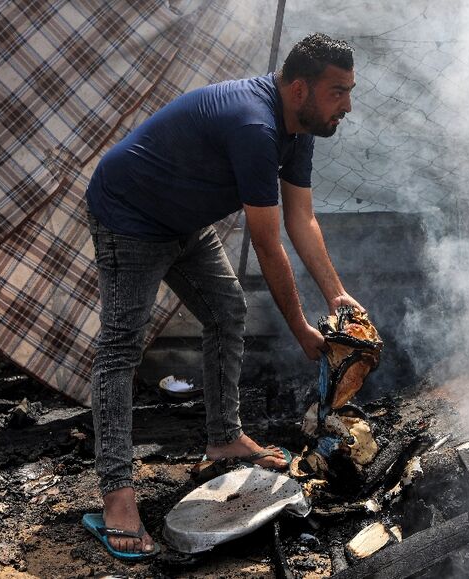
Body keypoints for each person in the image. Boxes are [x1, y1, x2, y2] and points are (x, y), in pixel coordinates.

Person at [83, 33, 362, 558]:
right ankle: (117, 496)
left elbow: (301, 219)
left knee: (227, 310)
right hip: (130, 215)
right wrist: (301, 327)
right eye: (338, 92)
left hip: (183, 222)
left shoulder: (300, 128)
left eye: (349, 91)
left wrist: (337, 295)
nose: (347, 105)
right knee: (121, 348)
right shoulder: (255, 126)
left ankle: (223, 437)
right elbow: (268, 242)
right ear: (299, 88)